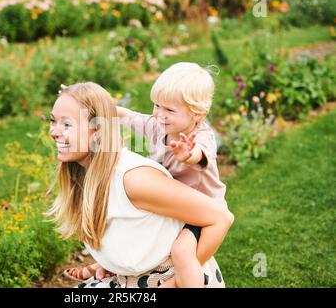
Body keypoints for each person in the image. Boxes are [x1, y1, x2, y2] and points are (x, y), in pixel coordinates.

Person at [49, 82, 233, 288]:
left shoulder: (134, 179)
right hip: (129, 279)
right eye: (53, 121)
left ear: (99, 129)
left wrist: (176, 282)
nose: (54, 132)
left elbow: (220, 217)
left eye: (66, 124)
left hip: (172, 279)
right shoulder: (84, 176)